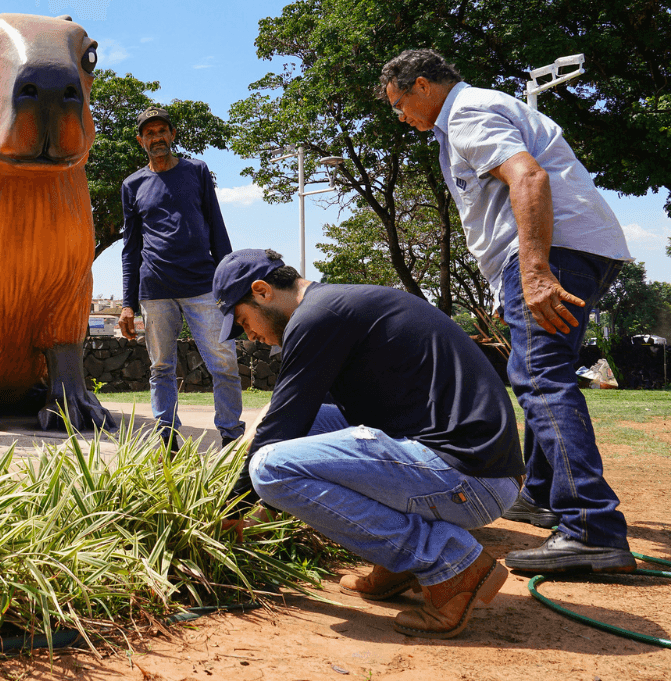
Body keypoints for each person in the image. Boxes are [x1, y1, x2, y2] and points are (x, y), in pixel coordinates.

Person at [380, 49, 636, 575]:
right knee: (543, 370)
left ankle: (592, 527)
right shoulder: (474, 112)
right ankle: (541, 496)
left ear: (423, 86)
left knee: (539, 378)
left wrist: (535, 272)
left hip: (555, 251)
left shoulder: (467, 113)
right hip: (573, 249)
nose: (400, 117)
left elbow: (529, 179)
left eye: (400, 104)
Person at [215, 248, 525, 639]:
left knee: (269, 466)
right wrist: (266, 501)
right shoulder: (337, 306)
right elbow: (292, 419)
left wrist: (232, 509)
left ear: (261, 291)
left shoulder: (317, 317)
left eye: (244, 322)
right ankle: (396, 562)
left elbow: (282, 430)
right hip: (470, 466)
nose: (252, 337)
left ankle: (449, 562)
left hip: (470, 477)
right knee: (278, 430)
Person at [118, 107, 245, 448]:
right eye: (149, 133)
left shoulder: (197, 171)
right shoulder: (132, 185)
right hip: (155, 289)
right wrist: (128, 304)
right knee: (161, 367)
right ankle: (167, 441)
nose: (156, 137)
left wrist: (231, 285)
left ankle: (231, 439)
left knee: (224, 364)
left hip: (203, 285)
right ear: (140, 140)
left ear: (172, 135)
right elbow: (131, 249)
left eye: (162, 131)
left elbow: (217, 228)